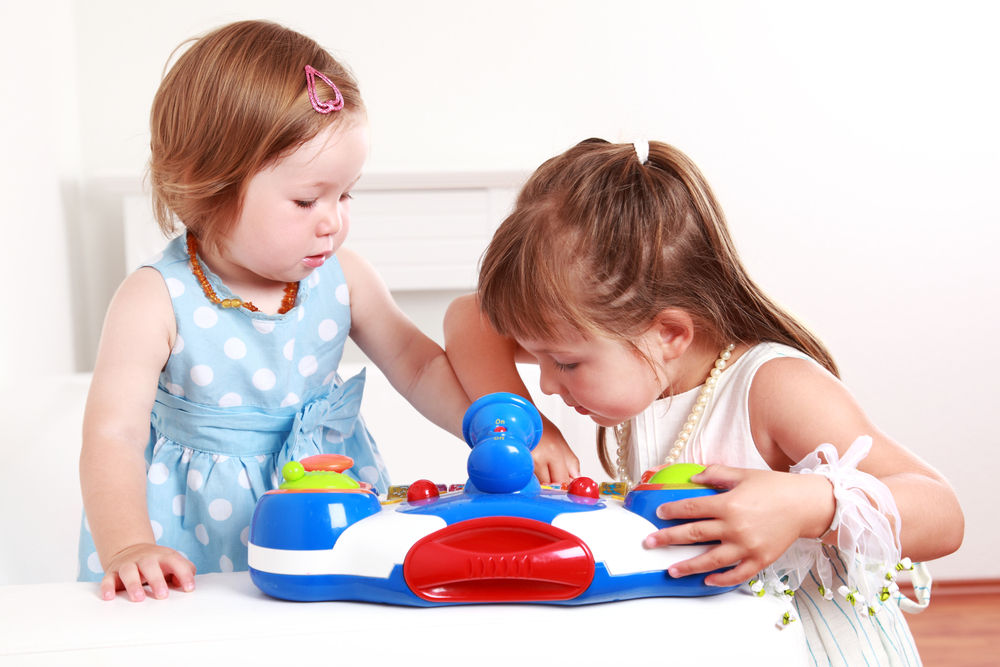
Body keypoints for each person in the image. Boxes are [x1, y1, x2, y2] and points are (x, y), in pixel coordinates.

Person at [444, 138, 963, 664]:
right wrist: (523, 419)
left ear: (669, 334)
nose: (550, 385)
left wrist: (808, 504)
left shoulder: (773, 387)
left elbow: (943, 512)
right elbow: (468, 319)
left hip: (806, 646)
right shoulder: (638, 355)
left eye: (566, 364)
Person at [79, 20, 471, 603]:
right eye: (307, 199)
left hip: (324, 514)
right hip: (191, 538)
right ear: (206, 185)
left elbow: (419, 368)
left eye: (345, 195)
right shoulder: (156, 297)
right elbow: (114, 432)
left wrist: (490, 429)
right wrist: (128, 545)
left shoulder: (346, 278)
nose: (331, 220)